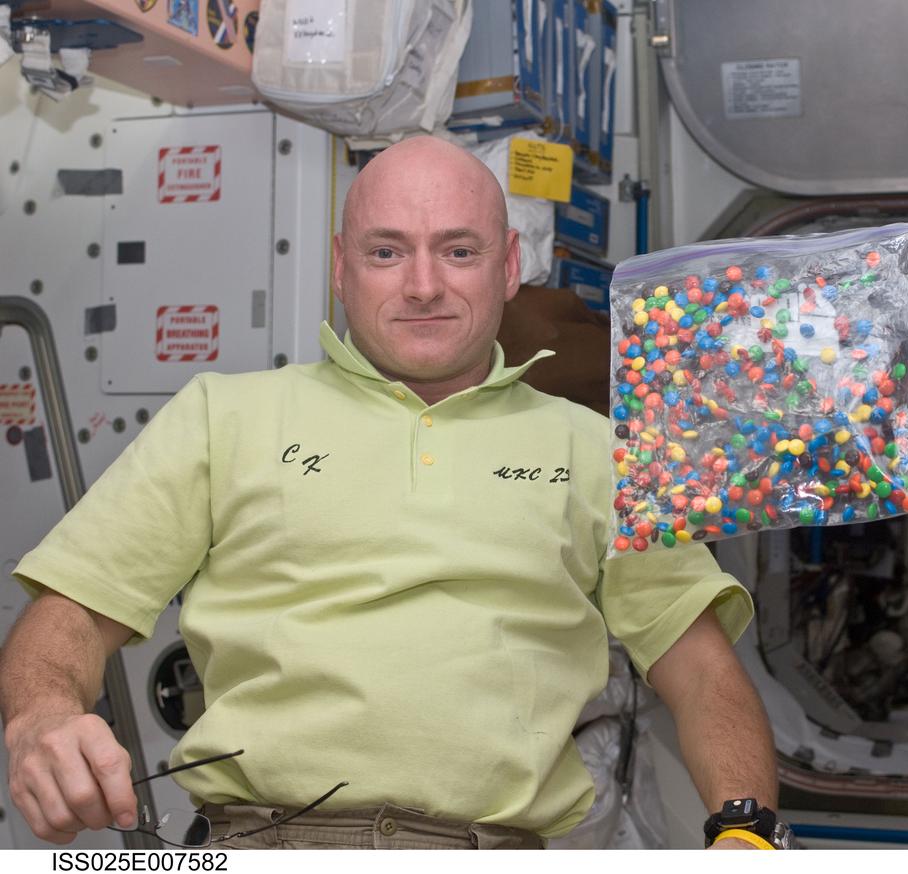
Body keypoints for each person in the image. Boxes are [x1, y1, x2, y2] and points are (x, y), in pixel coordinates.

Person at [0, 136, 781, 850]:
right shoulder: (221, 418)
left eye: (459, 251)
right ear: (340, 266)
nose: (423, 286)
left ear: (509, 266)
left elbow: (703, 670)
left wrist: (743, 833)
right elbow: (69, 612)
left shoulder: (596, 453)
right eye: (386, 252)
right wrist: (41, 719)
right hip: (263, 844)